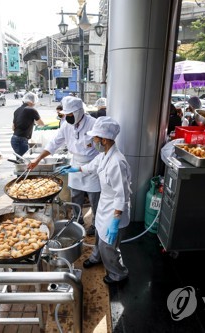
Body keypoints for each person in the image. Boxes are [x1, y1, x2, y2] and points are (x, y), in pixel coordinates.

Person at [58, 116, 131, 284]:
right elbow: (92, 166)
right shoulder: (104, 155)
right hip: (105, 206)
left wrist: (115, 221)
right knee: (99, 234)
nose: (93, 140)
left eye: (95, 137)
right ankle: (97, 257)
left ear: (104, 140)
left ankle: (117, 274)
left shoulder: (117, 162)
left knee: (108, 246)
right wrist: (74, 168)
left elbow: (122, 195)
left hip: (115, 211)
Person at [28, 96, 100, 236]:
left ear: (79, 111)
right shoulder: (66, 125)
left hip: (93, 164)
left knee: (94, 197)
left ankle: (96, 224)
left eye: (70, 114)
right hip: (76, 164)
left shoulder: (94, 124)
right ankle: (78, 219)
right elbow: (54, 143)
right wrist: (38, 159)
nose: (68, 117)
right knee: (76, 195)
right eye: (66, 114)